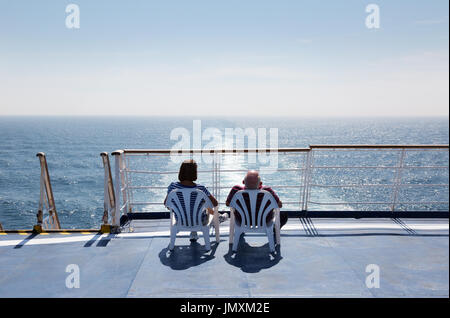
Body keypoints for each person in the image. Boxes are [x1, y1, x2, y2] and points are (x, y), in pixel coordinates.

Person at [164, 159, 227, 242]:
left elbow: (166, 204)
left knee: (189, 207)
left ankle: (193, 233)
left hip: (180, 220)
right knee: (202, 206)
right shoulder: (201, 189)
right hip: (199, 221)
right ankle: (218, 218)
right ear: (195, 173)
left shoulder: (173, 187)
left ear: (181, 172)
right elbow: (215, 203)